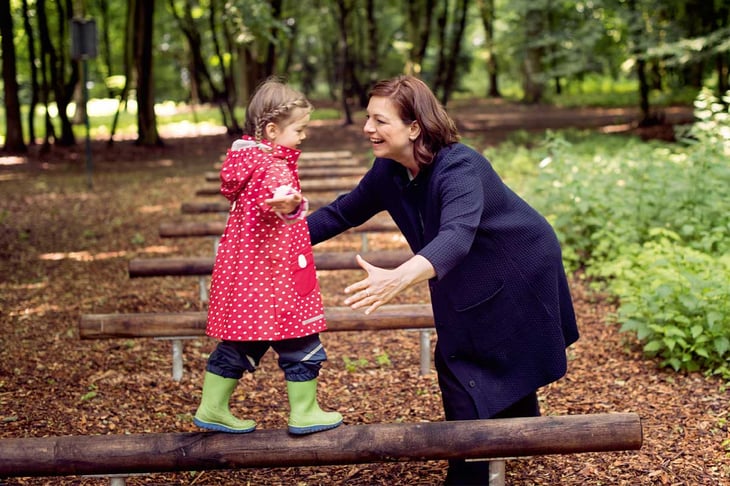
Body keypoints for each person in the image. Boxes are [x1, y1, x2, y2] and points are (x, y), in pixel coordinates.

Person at [306, 75, 579, 483]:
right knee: (468, 347)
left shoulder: (461, 166)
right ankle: (507, 439)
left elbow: (456, 235)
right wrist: (274, 237)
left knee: (462, 357)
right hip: (468, 269)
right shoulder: (388, 172)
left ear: (413, 127)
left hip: (519, 263)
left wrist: (399, 277)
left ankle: (473, 470)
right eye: (368, 118)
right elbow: (341, 212)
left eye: (380, 121)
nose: (368, 128)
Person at [193, 78, 342, 435]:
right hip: (273, 278)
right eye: (300, 129)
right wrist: (292, 205)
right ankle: (304, 412)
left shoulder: (249, 162)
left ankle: (212, 407)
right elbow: (281, 198)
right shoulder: (273, 167)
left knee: (243, 343)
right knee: (303, 343)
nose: (304, 136)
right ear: (273, 130)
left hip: (249, 278)